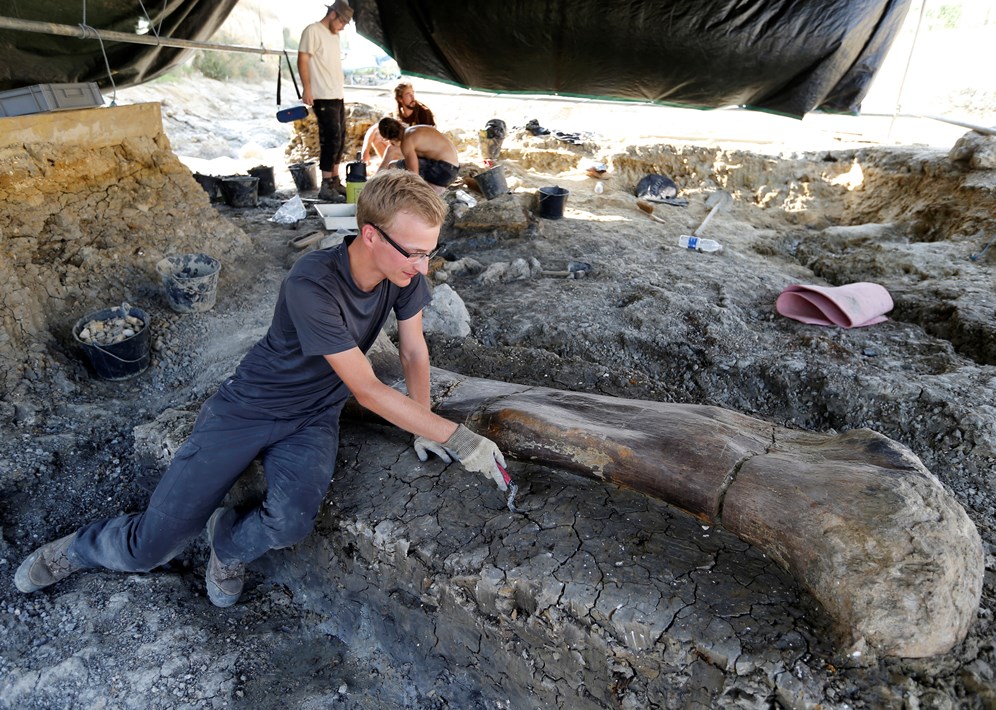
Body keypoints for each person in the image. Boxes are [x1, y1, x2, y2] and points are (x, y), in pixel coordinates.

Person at [14, 170, 509, 608]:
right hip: (249, 407)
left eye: (430, 251)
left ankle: (227, 546)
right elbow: (367, 390)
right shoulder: (311, 283)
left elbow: (413, 351)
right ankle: (79, 548)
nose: (423, 267)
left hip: (314, 414)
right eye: (415, 252)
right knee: (152, 546)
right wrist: (457, 437)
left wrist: (421, 423)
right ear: (370, 235)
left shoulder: (402, 272)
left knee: (292, 521)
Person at [298, 0, 353, 203]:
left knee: (340, 139)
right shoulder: (313, 30)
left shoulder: (334, 35)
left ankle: (335, 180)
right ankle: (326, 184)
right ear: (333, 14)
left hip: (336, 93)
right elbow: (302, 59)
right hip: (321, 94)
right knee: (330, 138)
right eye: (343, 21)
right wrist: (307, 88)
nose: (343, 26)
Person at [377, 117, 460, 194]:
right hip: (453, 169)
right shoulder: (416, 129)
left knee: (393, 165)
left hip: (443, 169)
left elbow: (414, 174)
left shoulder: (407, 141)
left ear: (389, 139)